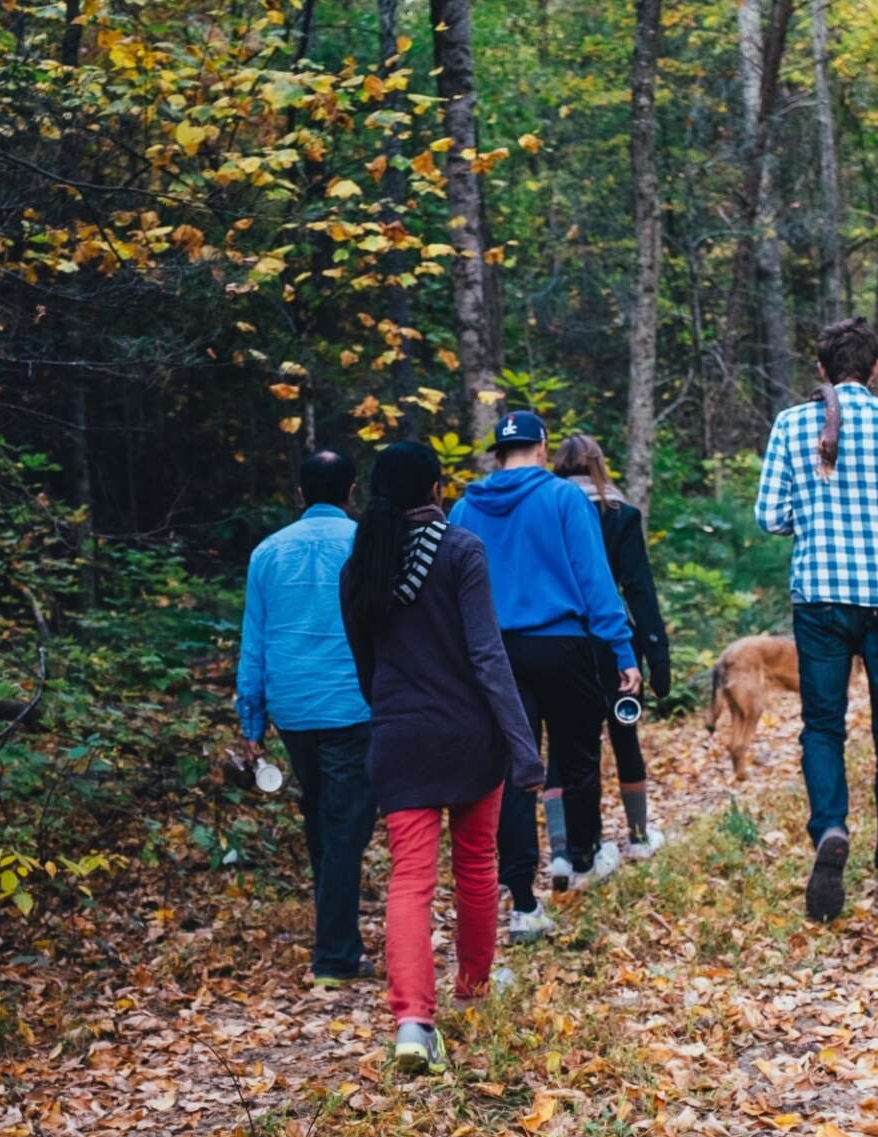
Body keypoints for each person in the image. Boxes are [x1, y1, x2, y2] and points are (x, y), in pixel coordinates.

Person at [340, 442, 543, 1075]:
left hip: (399, 740)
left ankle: (412, 1022)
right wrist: (522, 743)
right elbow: (488, 655)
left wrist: (396, 713)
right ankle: (474, 990)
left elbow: (366, 667)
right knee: (476, 866)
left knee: (409, 880)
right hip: (467, 738)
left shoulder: (360, 566)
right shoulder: (460, 550)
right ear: (435, 487)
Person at [755, 316, 878, 922]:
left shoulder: (790, 425)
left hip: (820, 600)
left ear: (821, 370)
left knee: (823, 727)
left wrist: (813, 517)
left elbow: (770, 516)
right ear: (875, 367)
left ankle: (831, 828)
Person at [448, 411, 642, 939]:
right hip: (562, 644)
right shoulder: (564, 499)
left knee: (514, 768)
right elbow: (594, 579)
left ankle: (522, 901)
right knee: (576, 756)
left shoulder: (465, 507)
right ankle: (580, 860)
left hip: (494, 653)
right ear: (541, 448)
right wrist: (622, 649)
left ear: (496, 453)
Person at [236, 450, 376, 988]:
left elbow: (255, 642)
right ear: (351, 491)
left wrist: (252, 721)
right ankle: (336, 955)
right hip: (351, 705)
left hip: (293, 709)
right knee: (345, 826)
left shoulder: (268, 553)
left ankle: (336, 934)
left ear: (300, 494)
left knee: (321, 815)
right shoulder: (365, 544)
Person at [548, 433, 670, 857]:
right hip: (615, 643)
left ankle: (563, 851)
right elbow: (638, 589)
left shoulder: (546, 512)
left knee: (563, 744)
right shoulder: (621, 514)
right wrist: (657, 652)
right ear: (599, 465)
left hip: (560, 641)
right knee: (624, 736)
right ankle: (637, 837)